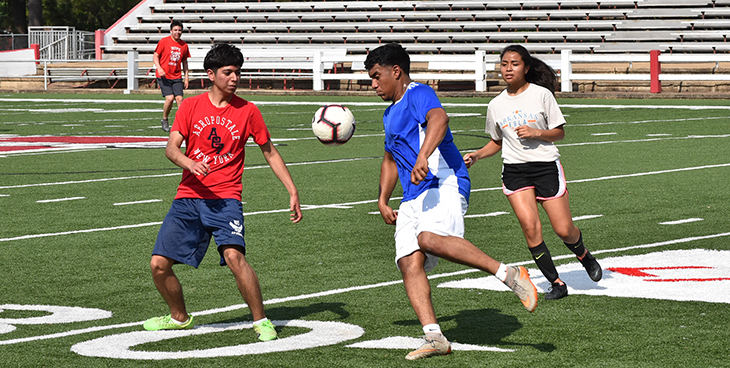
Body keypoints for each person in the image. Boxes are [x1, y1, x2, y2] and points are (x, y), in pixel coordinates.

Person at [365, 43, 538, 361]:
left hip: (445, 181)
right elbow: (390, 158)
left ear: (396, 72)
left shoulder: (418, 93)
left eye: (377, 77)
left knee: (428, 239)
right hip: (413, 195)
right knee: (408, 262)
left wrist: (423, 155)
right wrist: (382, 199)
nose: (373, 85)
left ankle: (508, 273)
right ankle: (434, 337)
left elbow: (439, 119)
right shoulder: (390, 113)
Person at [143, 44, 303, 343]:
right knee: (158, 264)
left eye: (237, 73)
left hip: (226, 198)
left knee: (234, 256)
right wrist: (190, 162)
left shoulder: (248, 111)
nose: (234, 78)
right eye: (228, 72)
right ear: (211, 75)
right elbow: (171, 148)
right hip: (188, 197)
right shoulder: (189, 107)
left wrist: (292, 189)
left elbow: (269, 152)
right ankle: (178, 317)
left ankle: (261, 320)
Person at [463, 45, 602, 301]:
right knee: (530, 228)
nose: (508, 69)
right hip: (515, 171)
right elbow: (496, 141)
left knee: (563, 230)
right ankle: (556, 283)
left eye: (514, 64)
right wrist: (477, 155)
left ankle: (584, 255)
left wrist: (537, 132)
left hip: (545, 167)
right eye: (504, 64)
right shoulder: (495, 104)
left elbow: (559, 132)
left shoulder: (542, 95)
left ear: (526, 68)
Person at [153, 20, 191, 132]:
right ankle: (165, 119)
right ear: (171, 31)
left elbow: (184, 62)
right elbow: (156, 56)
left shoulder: (184, 45)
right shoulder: (164, 41)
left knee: (179, 99)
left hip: (177, 76)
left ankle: (182, 123)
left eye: (179, 30)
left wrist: (186, 77)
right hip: (164, 76)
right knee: (170, 98)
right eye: (175, 30)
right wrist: (159, 68)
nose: (177, 32)